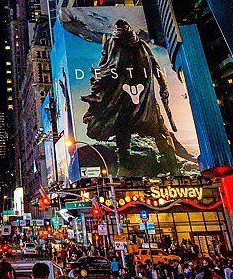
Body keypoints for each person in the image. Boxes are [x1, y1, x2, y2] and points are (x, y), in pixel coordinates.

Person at [68, 14, 197, 176]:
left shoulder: (113, 43)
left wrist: (97, 82)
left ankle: (129, 164)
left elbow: (104, 65)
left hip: (124, 99)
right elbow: (156, 68)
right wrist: (163, 87)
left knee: (125, 128)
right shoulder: (140, 45)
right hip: (144, 99)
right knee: (156, 128)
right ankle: (169, 162)